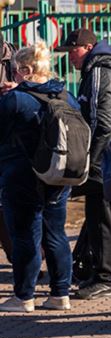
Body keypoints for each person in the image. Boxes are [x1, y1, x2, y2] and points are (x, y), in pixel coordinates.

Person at [55, 28, 111, 300]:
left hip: (105, 158)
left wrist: (88, 158)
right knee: (101, 216)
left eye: (72, 51)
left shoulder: (99, 72)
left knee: (102, 217)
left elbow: (103, 123)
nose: (70, 58)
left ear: (87, 48)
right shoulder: (103, 69)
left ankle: (104, 278)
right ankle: (102, 271)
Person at [0, 43, 79, 312]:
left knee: (25, 237)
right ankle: (60, 295)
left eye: (14, 71)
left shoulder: (15, 100)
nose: (13, 76)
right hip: (59, 175)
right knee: (56, 234)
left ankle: (23, 297)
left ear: (26, 69)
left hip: (21, 177)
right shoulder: (66, 96)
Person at [0, 33, 18, 262]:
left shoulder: (14, 56)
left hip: (10, 139)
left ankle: (21, 258)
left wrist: (16, 89)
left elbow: (36, 85)